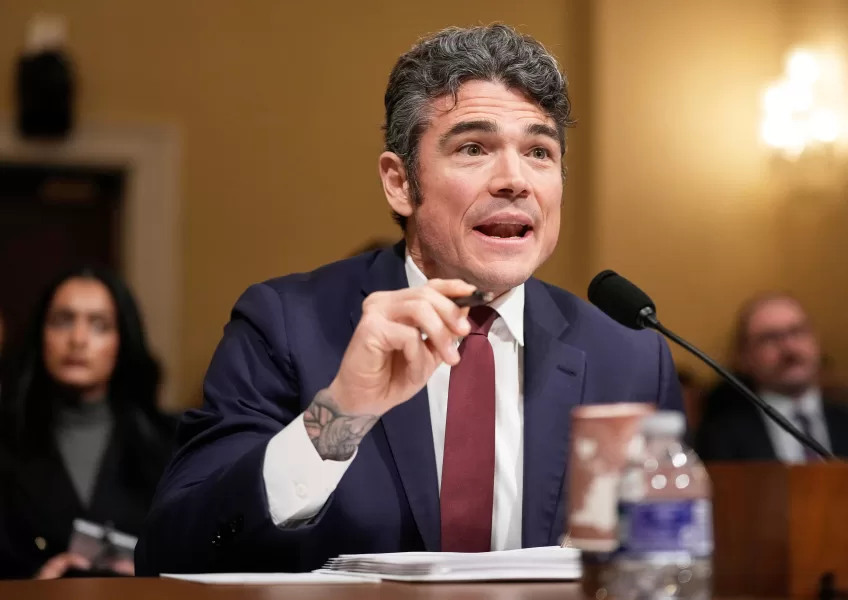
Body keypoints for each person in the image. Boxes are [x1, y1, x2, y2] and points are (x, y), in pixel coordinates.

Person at [135, 24, 682, 575]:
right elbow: (170, 552)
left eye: (539, 152)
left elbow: (669, 566)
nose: (515, 180)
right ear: (400, 183)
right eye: (474, 148)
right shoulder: (286, 325)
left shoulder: (629, 357)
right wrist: (342, 412)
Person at [0, 266, 176, 580]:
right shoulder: (7, 438)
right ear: (41, 334)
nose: (78, 339)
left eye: (99, 325)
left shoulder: (169, 442)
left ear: (122, 341)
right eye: (62, 321)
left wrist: (149, 575)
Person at [694, 291, 848, 462]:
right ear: (744, 356)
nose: (789, 348)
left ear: (816, 341)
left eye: (797, 332)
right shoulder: (720, 437)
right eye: (770, 338)